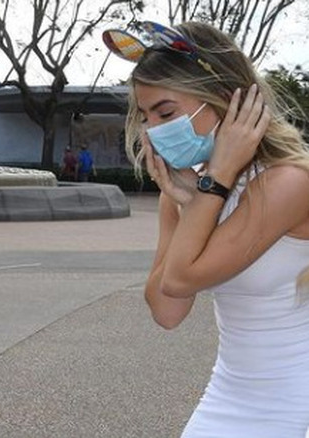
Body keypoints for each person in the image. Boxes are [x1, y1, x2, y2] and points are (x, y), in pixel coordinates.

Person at [106, 21, 309, 436]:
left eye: (166, 112)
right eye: (145, 116)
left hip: (296, 406)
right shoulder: (193, 189)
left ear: (225, 101)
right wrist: (193, 200)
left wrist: (209, 186)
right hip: (228, 395)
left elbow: (181, 279)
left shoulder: (290, 182)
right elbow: (167, 311)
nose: (153, 130)